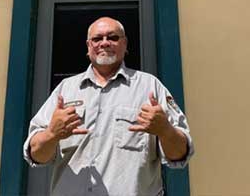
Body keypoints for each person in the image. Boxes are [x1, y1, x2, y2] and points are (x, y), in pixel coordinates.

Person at [24, 16, 194, 196]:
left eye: (112, 37)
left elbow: (180, 154)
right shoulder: (65, 90)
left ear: (125, 44)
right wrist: (51, 134)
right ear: (88, 46)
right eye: (97, 39)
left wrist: (165, 130)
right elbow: (36, 156)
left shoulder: (150, 87)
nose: (104, 43)